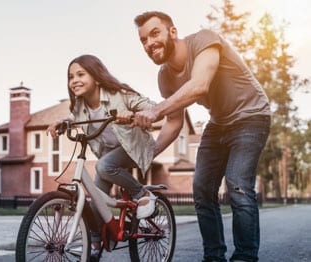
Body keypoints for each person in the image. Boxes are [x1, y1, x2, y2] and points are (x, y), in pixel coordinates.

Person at [132, 11, 271, 262]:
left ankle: (245, 257)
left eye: (154, 34)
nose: (149, 43)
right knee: (202, 189)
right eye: (143, 40)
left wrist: (154, 111)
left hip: (252, 116)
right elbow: (174, 123)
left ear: (172, 32)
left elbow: (199, 85)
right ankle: (214, 256)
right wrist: (146, 153)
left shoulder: (204, 40)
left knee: (238, 185)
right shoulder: (165, 77)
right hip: (219, 123)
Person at [46, 54, 157, 259]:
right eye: (71, 77)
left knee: (104, 166)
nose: (74, 80)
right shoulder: (80, 104)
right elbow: (74, 117)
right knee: (96, 199)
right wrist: (63, 122)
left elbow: (151, 106)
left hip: (134, 148)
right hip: (109, 153)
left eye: (81, 74)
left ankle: (143, 194)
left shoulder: (119, 94)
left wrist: (133, 115)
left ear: (96, 77)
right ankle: (95, 244)